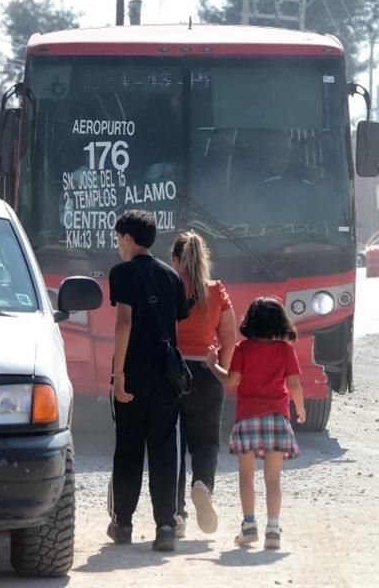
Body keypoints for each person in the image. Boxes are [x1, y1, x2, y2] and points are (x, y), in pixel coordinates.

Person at [107, 210, 190, 552]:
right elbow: (176, 322)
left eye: (118, 240)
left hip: (135, 373)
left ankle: (123, 524)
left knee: (128, 448)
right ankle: (166, 526)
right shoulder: (171, 276)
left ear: (128, 239)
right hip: (167, 376)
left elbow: (124, 322)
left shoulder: (122, 273)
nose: (117, 246)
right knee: (163, 449)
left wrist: (119, 375)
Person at [205, 297, 306, 550]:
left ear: (250, 321)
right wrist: (300, 407)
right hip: (276, 418)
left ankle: (249, 526)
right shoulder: (285, 350)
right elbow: (293, 384)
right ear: (279, 321)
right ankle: (273, 529)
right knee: (273, 480)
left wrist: (212, 365)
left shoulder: (242, 349)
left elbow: (230, 382)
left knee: (246, 477)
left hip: (247, 418)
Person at [170, 231, 237, 538]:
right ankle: (202, 484)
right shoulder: (217, 291)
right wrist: (218, 367)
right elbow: (228, 339)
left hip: (171, 373)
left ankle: (176, 514)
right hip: (207, 374)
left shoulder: (167, 288)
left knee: (172, 445)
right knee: (206, 441)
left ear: (174, 260)